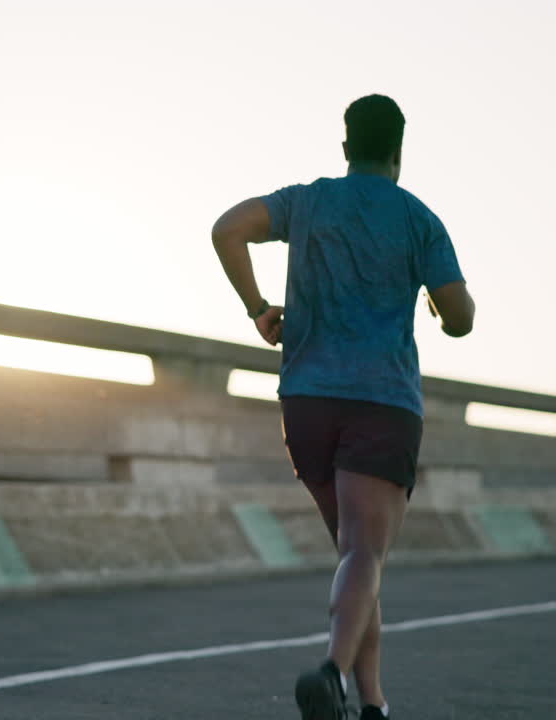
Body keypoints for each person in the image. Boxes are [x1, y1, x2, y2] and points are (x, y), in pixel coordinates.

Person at [210, 94, 475, 720]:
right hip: (380, 403)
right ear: (399, 152)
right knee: (365, 554)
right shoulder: (418, 220)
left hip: (305, 402)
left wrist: (257, 308)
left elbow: (226, 229)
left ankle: (374, 704)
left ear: (346, 146)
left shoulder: (306, 202)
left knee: (356, 559)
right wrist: (437, 303)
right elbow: (459, 319)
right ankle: (330, 671)